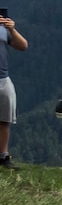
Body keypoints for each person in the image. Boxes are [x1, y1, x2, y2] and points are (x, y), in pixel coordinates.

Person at [0, 9, 26, 170]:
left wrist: (12, 29)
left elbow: (22, 46)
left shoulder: (4, 29)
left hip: (3, 78)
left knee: (4, 119)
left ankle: (3, 157)